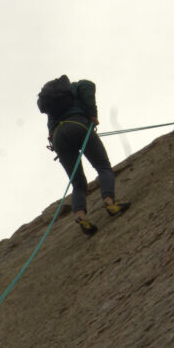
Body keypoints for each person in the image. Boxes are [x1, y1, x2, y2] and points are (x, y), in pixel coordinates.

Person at [37, 75, 130, 235]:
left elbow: (51, 129)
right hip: (78, 125)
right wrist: (93, 116)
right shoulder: (74, 87)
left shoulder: (52, 105)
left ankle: (81, 216)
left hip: (59, 138)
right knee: (103, 167)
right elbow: (88, 86)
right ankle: (110, 202)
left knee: (78, 183)